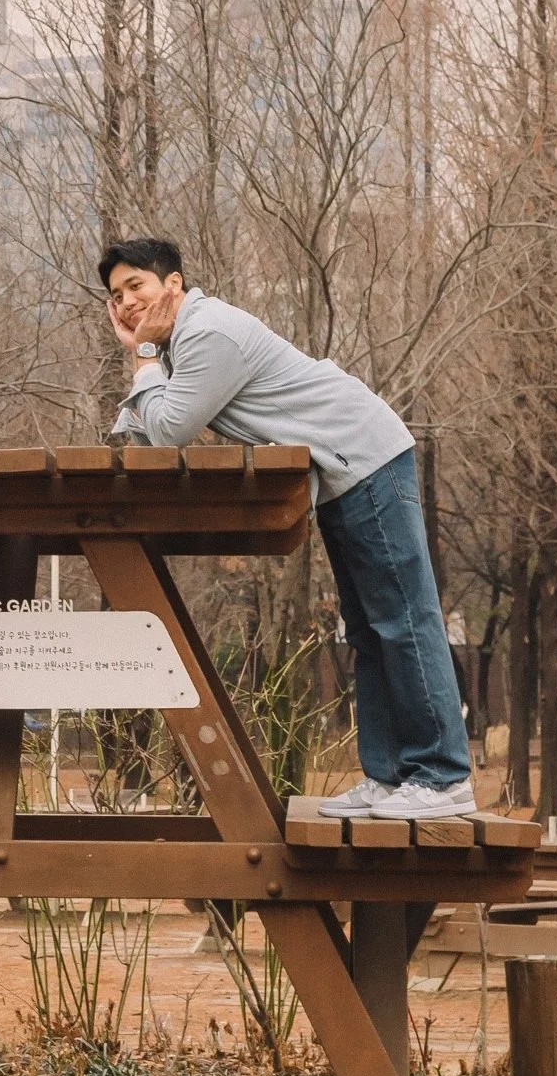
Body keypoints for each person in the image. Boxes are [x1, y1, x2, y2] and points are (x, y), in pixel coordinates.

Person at [100, 237, 476, 822]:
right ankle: (389, 777)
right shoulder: (179, 344)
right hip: (346, 471)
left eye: (136, 287)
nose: (125, 302)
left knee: (404, 620)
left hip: (366, 457)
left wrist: (142, 359)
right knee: (370, 630)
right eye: (116, 295)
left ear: (172, 284)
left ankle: (443, 775)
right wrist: (147, 357)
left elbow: (170, 428)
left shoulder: (206, 332)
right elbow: (143, 433)